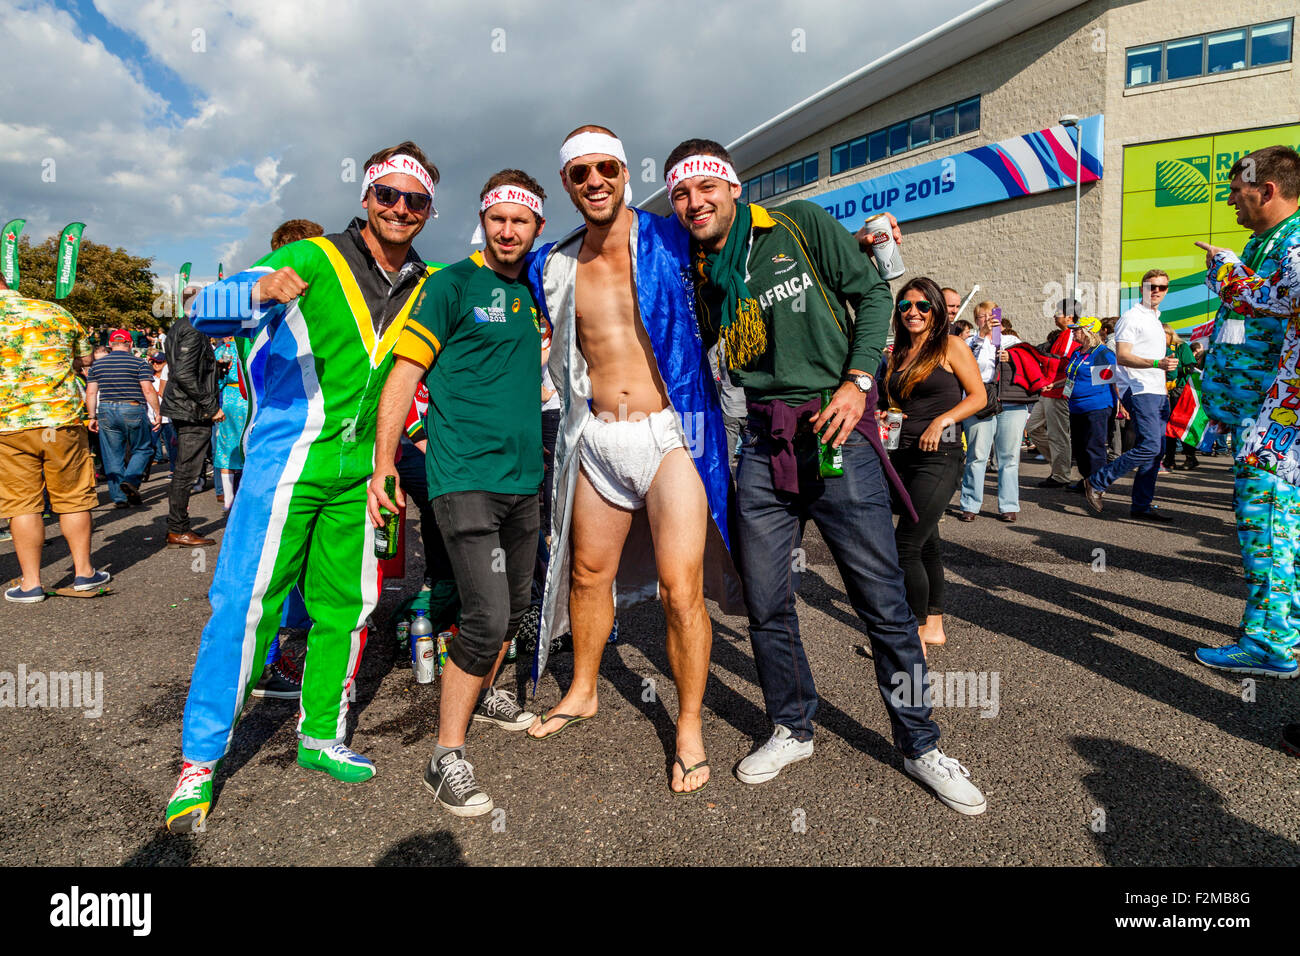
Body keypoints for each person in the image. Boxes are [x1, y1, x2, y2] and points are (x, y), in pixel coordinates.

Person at [668, 137, 986, 814]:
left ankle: (921, 743)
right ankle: (791, 725)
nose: (694, 203)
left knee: (881, 599)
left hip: (837, 430)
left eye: (704, 188)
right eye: (680, 195)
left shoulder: (798, 223)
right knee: (766, 600)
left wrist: (857, 381)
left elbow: (873, 293)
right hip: (760, 443)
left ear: (731, 187)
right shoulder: (702, 269)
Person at [164, 140, 440, 832]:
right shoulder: (315, 257)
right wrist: (257, 289)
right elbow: (201, 312)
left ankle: (320, 733)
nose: (400, 208)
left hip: (364, 471)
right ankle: (199, 762)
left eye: (416, 200)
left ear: (428, 210)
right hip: (285, 462)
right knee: (246, 603)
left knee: (348, 604)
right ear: (367, 198)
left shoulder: (426, 279)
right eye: (389, 195)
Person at [524, 126, 743, 799]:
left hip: (671, 432)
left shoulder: (671, 236)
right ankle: (584, 688)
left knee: (682, 590)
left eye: (607, 168)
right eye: (580, 172)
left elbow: (740, 239)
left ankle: (688, 726)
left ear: (624, 172)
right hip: (597, 436)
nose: (595, 180)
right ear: (566, 182)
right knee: (588, 574)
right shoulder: (551, 264)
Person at [370, 169, 547, 816]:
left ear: (536, 228)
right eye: (497, 217)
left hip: (524, 482)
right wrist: (385, 461)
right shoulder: (451, 284)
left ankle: (488, 689)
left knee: (517, 606)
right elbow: (405, 371)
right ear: (483, 219)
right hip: (462, 479)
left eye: (520, 220)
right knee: (486, 615)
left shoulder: (535, 288)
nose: (507, 229)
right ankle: (445, 758)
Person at [1192, 237, 1300, 679]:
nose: (1234, 199)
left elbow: (1276, 297)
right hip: (1270, 413)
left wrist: (1225, 268)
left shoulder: (1294, 243)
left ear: (1268, 188)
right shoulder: (1274, 242)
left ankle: (1270, 644)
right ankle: (1281, 630)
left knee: (1268, 529)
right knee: (1279, 531)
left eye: (1240, 189)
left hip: (1279, 422)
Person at [882, 278, 985, 653]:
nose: (913, 312)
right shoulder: (896, 354)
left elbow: (979, 396)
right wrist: (884, 416)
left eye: (923, 306)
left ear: (936, 311)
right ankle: (934, 628)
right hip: (902, 455)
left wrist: (942, 420)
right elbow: (893, 405)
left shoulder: (950, 346)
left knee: (904, 546)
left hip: (940, 456)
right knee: (927, 545)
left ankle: (911, 639)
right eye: (906, 305)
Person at [0, 274, 110, 602]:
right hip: (60, 420)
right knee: (73, 497)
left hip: (9, 424)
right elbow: (86, 359)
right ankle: (84, 573)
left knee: (22, 504)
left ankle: (31, 583)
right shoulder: (55, 312)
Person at [1082, 270, 1178, 521]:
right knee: (1149, 446)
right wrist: (1157, 363)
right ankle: (1097, 481)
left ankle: (1141, 505)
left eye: (1162, 287)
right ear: (1142, 289)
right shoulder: (1131, 317)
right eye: (1151, 286)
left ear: (1167, 290)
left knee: (1157, 451)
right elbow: (1122, 356)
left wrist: (1164, 376)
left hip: (1157, 391)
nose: (1156, 291)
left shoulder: (1156, 319)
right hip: (1138, 388)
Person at [957, 300, 1030, 521]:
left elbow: (1026, 367)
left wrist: (1013, 358)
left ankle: (1008, 505)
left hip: (1010, 402)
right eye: (982, 316)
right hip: (979, 401)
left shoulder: (1011, 341)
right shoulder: (970, 342)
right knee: (977, 454)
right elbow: (967, 367)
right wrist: (982, 337)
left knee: (1009, 456)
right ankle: (970, 504)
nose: (988, 319)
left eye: (992, 315)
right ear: (976, 319)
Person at [162, 287, 223, 546]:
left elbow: (184, 368)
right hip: (191, 409)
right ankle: (178, 529)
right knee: (186, 471)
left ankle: (178, 527)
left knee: (186, 469)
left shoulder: (180, 327)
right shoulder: (194, 330)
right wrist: (211, 405)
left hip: (185, 406)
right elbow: (184, 374)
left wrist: (213, 367)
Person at [85, 329, 161, 509]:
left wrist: (91, 416)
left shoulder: (97, 366)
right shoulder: (139, 363)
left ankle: (119, 498)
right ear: (131, 344)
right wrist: (157, 412)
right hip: (132, 407)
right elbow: (148, 390)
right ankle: (130, 480)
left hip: (105, 409)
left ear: (111, 345)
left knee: (112, 455)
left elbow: (91, 392)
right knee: (143, 448)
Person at [1054, 318, 1116, 488]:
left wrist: (1122, 405)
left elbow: (1111, 382)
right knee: (1080, 447)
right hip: (1076, 406)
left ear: (1089, 332)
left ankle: (1097, 485)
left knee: (1093, 447)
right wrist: (1056, 385)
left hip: (1096, 406)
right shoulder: (1077, 352)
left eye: (1077, 330)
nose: (1073, 332)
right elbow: (1071, 377)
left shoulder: (1102, 353)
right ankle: (1087, 480)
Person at [1027, 299, 1081, 488]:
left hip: (1057, 393)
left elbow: (1069, 367)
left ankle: (1061, 474)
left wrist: (1056, 384)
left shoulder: (1072, 336)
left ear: (1069, 316)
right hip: (1047, 391)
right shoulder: (1061, 336)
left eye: (1058, 312)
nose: (1054, 315)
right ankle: (1060, 465)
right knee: (1033, 428)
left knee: (1058, 435)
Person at [211, 337, 248, 509]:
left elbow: (218, 379)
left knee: (226, 446)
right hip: (251, 401)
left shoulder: (224, 351)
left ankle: (228, 498)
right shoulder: (251, 346)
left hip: (231, 402)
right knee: (249, 445)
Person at [1161, 324, 1199, 471]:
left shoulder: (1181, 347)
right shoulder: (1157, 347)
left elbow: (1190, 368)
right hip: (1163, 389)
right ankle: (1169, 458)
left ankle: (1190, 457)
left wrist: (1174, 367)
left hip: (1180, 389)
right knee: (1168, 425)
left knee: (1182, 423)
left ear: (1169, 334)